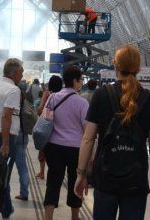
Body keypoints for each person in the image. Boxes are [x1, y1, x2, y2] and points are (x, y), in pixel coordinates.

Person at [74, 45, 150, 219]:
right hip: (136, 180)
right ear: (138, 68)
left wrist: (81, 174)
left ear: (115, 66)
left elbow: (88, 139)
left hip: (106, 177)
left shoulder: (101, 95)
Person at [42, 66, 88, 220]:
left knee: (53, 182)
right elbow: (87, 130)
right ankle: (75, 217)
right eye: (80, 80)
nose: (81, 83)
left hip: (54, 147)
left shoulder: (52, 98)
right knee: (75, 183)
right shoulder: (82, 103)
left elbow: (45, 121)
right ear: (75, 81)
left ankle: (48, 217)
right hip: (75, 150)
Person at [0, 58, 24, 219]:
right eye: (21, 72)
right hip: (4, 137)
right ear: (14, 73)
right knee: (2, 177)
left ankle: (5, 209)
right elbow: (6, 117)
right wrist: (6, 143)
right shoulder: (13, 90)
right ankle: (3, 210)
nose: (22, 75)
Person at [36, 76, 63, 180]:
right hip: (58, 130)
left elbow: (40, 110)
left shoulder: (47, 94)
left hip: (47, 128)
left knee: (43, 152)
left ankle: (42, 172)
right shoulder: (63, 95)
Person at [13, 90, 30, 202]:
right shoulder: (25, 105)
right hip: (23, 135)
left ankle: (2, 191)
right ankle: (24, 193)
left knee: (5, 165)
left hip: (13, 134)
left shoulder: (12, 105)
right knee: (22, 166)